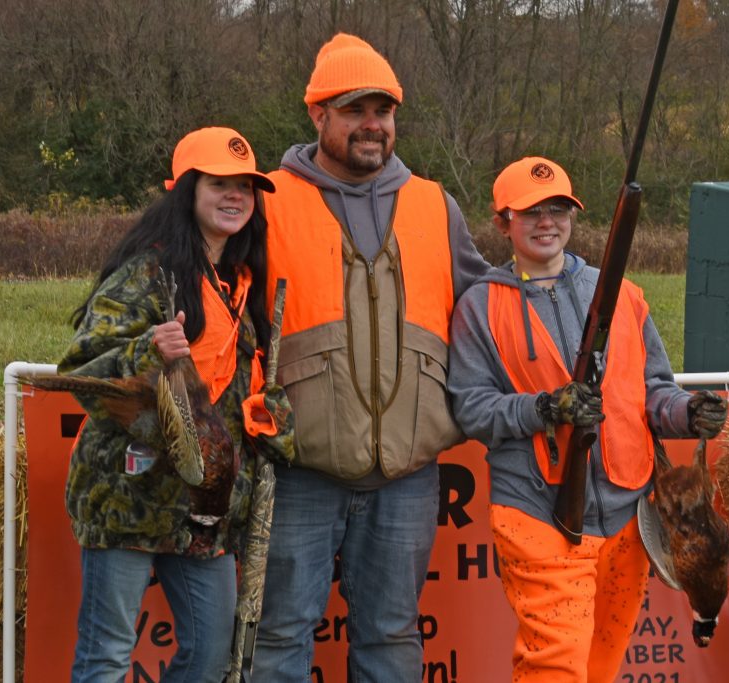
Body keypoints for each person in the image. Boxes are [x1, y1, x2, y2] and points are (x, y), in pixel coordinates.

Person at [251, 32, 489, 682]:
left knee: (390, 643)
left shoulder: (436, 205)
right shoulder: (265, 203)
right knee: (278, 642)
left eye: (382, 111)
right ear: (317, 114)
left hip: (407, 474)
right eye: (354, 109)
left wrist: (569, 299)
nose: (372, 125)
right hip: (300, 468)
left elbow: (491, 314)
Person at [446, 156, 729, 683]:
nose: (546, 222)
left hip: (627, 517)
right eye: (530, 212)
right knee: (556, 665)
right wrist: (545, 409)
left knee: (600, 666)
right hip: (539, 511)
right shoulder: (480, 306)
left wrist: (688, 413)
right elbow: (469, 407)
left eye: (558, 208)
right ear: (502, 222)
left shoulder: (621, 293)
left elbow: (653, 394)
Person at [58, 126, 289, 683]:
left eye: (245, 187)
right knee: (109, 655)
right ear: (186, 190)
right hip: (131, 497)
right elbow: (83, 370)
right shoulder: (147, 271)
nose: (235, 196)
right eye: (219, 184)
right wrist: (147, 350)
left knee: (210, 656)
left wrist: (268, 413)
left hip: (203, 511)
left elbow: (236, 391)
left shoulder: (243, 282)